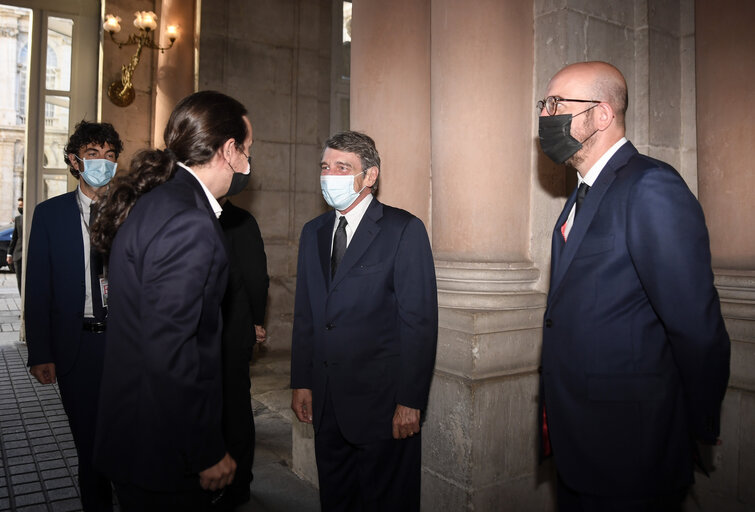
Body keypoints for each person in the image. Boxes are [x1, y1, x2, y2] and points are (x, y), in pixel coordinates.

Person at [536, 61, 731, 511]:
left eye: (554, 105)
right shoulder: (583, 193)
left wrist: (695, 426)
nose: (545, 118)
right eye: (543, 106)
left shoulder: (650, 186)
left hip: (631, 450)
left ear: (601, 115)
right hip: (577, 441)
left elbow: (696, 329)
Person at [91, 91, 252, 512]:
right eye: (248, 149)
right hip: (162, 446)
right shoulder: (190, 221)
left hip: (137, 433)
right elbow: (171, 350)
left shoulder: (159, 199)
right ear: (229, 150)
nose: (250, 162)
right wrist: (206, 450)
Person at [290, 131, 438, 511]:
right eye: (325, 166)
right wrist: (302, 382)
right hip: (326, 404)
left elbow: (419, 322)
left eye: (343, 167)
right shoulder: (313, 233)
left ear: (369, 176)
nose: (330, 174)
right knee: (337, 500)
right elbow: (307, 314)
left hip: (382, 406)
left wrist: (410, 400)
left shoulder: (403, 230)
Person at [25, 120, 123, 511]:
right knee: (89, 443)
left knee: (126, 438)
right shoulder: (50, 215)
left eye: (111, 156)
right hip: (76, 345)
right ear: (75, 161)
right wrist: (39, 351)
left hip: (124, 344)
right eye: (94, 154)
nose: (103, 162)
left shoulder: (130, 212)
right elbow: (38, 287)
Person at [215, 197, 269, 510]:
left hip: (231, 336)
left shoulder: (241, 220)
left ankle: (238, 485)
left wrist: (253, 321)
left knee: (234, 411)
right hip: (202, 336)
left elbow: (255, 277)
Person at [7, 197, 23, 292]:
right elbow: (14, 238)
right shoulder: (18, 219)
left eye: (21, 205)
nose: (19, 207)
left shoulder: (34, 217)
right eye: (19, 205)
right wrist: (9, 254)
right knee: (20, 282)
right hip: (18, 255)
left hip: (31, 255)